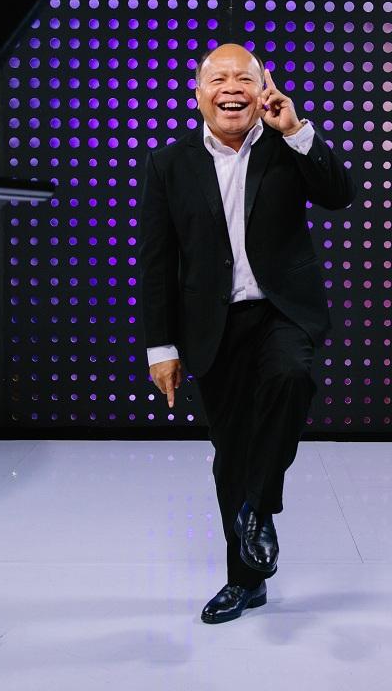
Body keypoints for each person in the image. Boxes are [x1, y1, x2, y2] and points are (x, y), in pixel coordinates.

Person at [139, 43, 355, 624]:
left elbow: (339, 195)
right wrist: (161, 348)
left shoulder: (286, 145)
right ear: (198, 93)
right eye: (219, 79)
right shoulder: (169, 163)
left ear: (263, 89)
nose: (231, 89)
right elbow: (156, 262)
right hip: (212, 326)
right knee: (231, 454)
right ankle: (245, 581)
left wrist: (297, 130)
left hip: (283, 312)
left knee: (291, 376)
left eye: (244, 79)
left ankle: (259, 509)